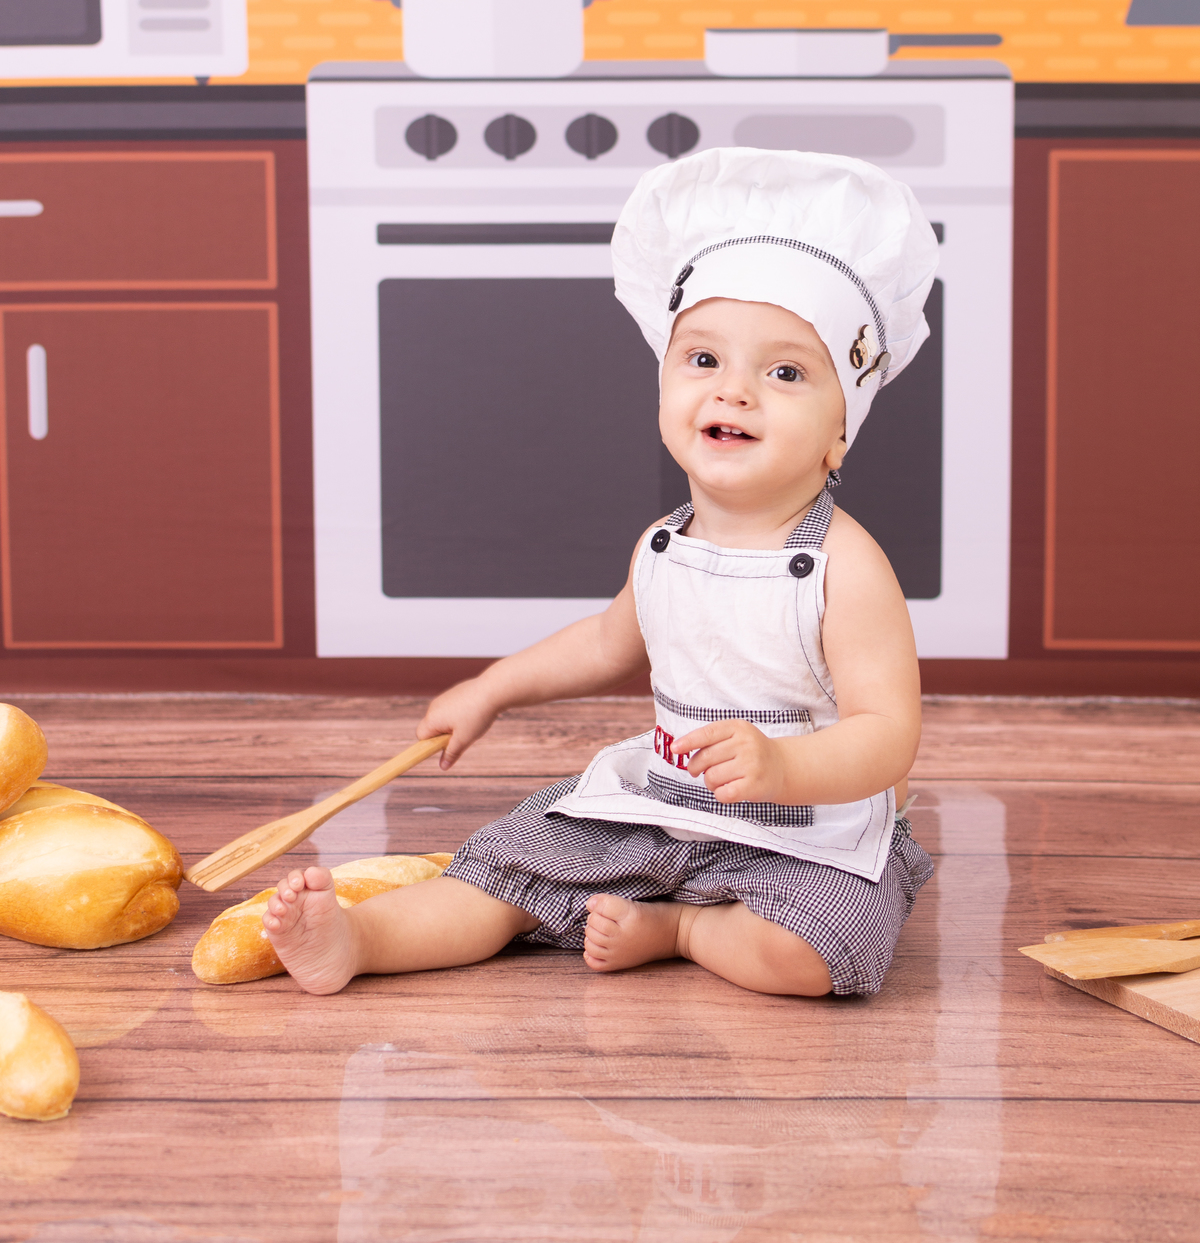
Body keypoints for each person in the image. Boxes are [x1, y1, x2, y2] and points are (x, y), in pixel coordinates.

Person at [265, 147, 938, 999]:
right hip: (665, 803)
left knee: (815, 951)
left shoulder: (848, 564)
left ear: (842, 431)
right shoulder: (663, 543)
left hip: (804, 827)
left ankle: (686, 926)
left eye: (785, 372)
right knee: (504, 873)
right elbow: (605, 641)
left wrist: (783, 767)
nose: (733, 391)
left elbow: (889, 732)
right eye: (703, 360)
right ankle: (360, 937)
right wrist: (494, 687)